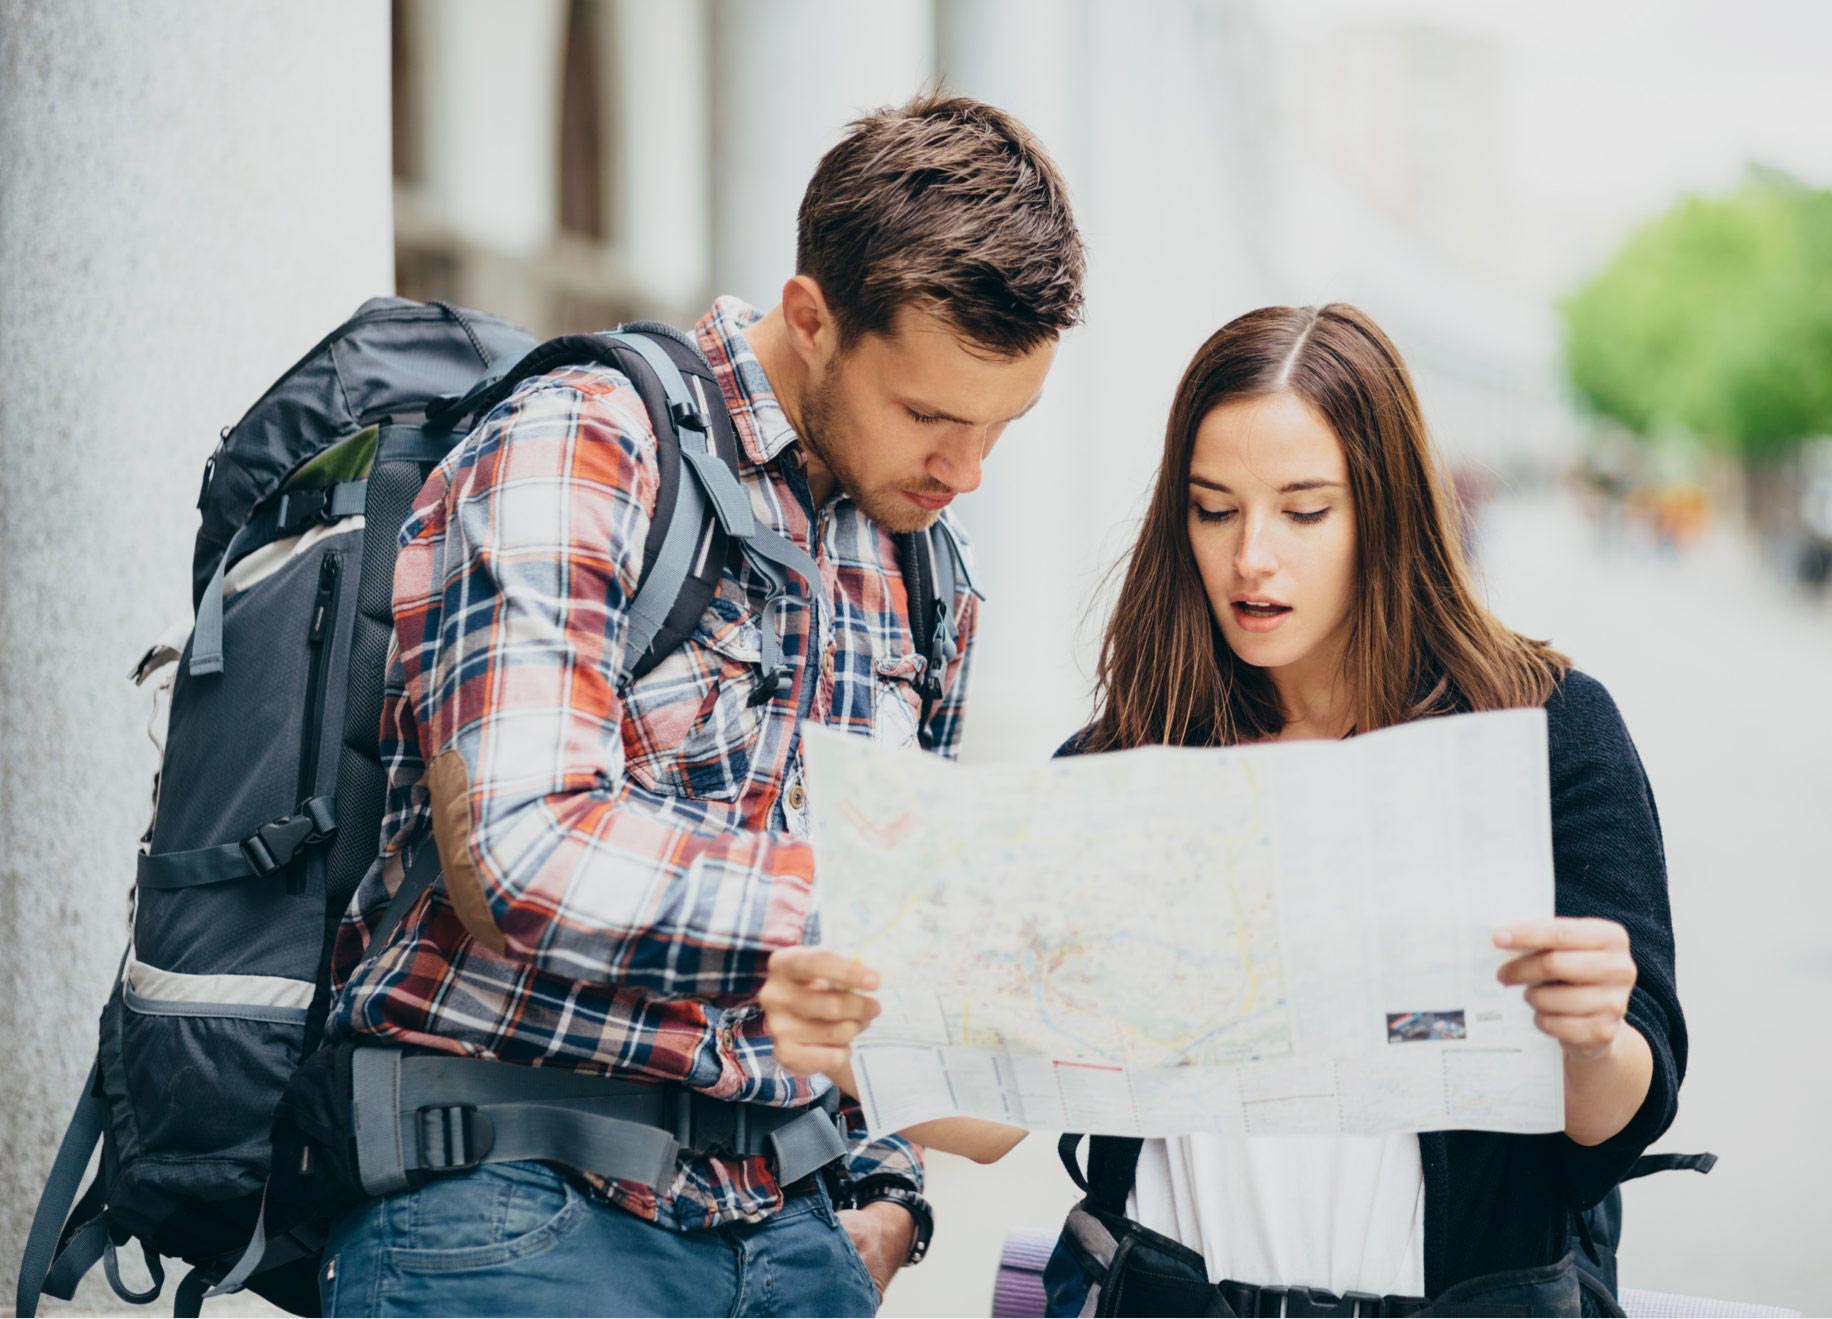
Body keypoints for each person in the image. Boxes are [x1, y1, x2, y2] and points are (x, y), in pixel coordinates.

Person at [318, 94, 1085, 1318]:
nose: (965, 470)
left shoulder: (923, 569)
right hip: (518, 1217)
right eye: (930, 415)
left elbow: (871, 1015)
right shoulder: (584, 444)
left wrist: (884, 1207)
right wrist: (879, 911)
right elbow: (522, 849)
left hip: (794, 1238)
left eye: (1001, 427)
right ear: (811, 319)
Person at [762, 304, 1685, 1316]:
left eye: (1303, 509)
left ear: (1386, 507)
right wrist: (857, 1045)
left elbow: (1626, 1109)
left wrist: (1590, 1034)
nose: (1252, 557)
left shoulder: (1546, 728)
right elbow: (1006, 1103)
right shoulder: (1123, 764)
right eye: (1214, 507)